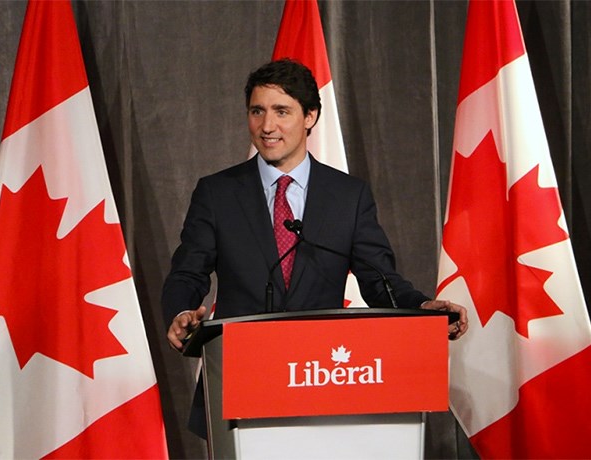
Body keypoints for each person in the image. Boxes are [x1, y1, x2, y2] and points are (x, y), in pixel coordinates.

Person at [162, 58, 468, 438]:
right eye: (257, 111)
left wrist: (422, 308)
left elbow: (380, 281)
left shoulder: (347, 196)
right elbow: (187, 272)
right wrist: (180, 312)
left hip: (324, 383)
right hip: (241, 381)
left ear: (310, 116)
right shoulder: (218, 193)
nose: (266, 126)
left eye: (281, 111)